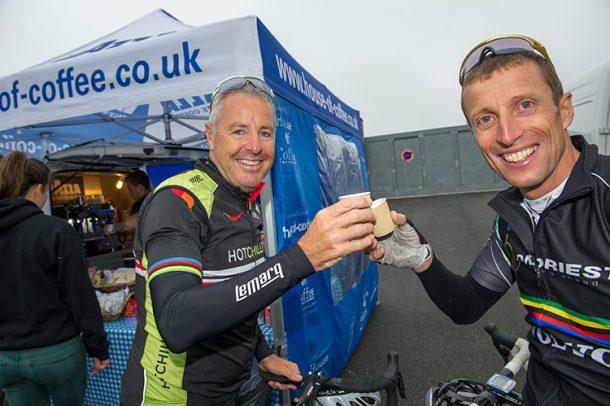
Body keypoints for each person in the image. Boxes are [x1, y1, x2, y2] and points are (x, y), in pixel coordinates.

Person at [371, 34, 610, 405]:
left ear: (564, 110)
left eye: (525, 105)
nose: (508, 134)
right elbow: (467, 305)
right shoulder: (512, 221)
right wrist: (423, 259)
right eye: (486, 119)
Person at [120, 76, 376, 405]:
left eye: (265, 133)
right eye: (239, 130)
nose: (254, 145)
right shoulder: (178, 202)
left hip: (235, 387)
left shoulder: (245, 200)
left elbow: (234, 294)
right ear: (210, 136)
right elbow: (176, 320)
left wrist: (263, 353)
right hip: (171, 398)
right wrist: (301, 257)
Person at [0, 151, 110, 405]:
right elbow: (80, 296)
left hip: (6, 356)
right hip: (55, 352)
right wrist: (98, 347)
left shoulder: (53, 231)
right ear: (39, 188)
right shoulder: (55, 231)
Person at [106, 169, 151, 234]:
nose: (128, 193)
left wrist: (110, 228)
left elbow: (135, 220)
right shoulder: (156, 197)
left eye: (130, 189)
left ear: (140, 188)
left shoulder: (142, 203)